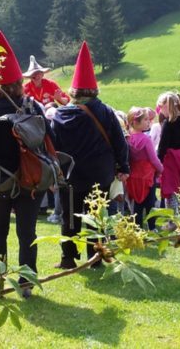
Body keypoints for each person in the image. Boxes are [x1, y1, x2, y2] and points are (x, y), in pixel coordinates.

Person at [0, 31, 45, 298]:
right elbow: (46, 140)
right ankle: (26, 284)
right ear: (20, 82)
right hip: (31, 179)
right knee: (27, 233)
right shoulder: (34, 108)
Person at [51, 42, 129, 269]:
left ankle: (67, 257)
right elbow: (119, 141)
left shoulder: (59, 115)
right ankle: (94, 259)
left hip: (71, 175)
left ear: (73, 92)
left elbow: (54, 146)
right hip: (100, 174)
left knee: (69, 217)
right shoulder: (105, 112)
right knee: (96, 216)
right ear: (94, 90)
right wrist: (123, 167)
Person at [157, 91, 180, 214]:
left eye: (161, 107)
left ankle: (173, 218)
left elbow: (163, 145)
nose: (160, 111)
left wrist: (158, 162)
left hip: (170, 159)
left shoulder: (168, 123)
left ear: (166, 106)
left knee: (171, 189)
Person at [124, 106, 162, 229]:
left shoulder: (127, 139)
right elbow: (153, 159)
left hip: (133, 176)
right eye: (145, 119)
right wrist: (161, 169)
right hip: (147, 176)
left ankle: (138, 228)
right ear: (135, 122)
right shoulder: (146, 139)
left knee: (136, 205)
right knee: (150, 204)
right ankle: (152, 228)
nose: (148, 122)